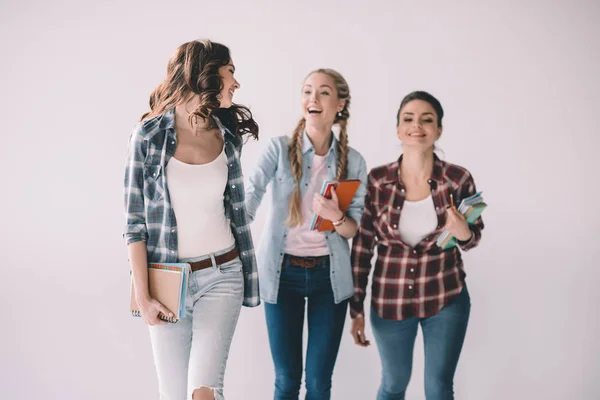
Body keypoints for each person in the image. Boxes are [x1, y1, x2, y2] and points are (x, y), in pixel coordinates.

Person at [123, 39, 260, 400]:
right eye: (231, 72)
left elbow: (232, 209)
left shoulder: (227, 134)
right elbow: (134, 224)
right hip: (167, 281)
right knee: (173, 394)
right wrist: (143, 294)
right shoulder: (148, 137)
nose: (236, 82)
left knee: (204, 393)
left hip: (223, 275)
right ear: (206, 74)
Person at [350, 91, 484, 400]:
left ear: (438, 130)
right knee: (394, 384)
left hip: (446, 298)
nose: (417, 126)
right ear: (398, 129)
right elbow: (362, 248)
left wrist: (463, 231)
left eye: (427, 120)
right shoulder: (377, 180)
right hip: (390, 301)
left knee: (438, 389)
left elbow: (472, 237)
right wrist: (355, 308)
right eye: (408, 119)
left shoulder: (458, 178)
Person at [245, 68, 367, 400]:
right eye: (307, 91)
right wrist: (232, 226)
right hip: (281, 276)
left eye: (323, 92)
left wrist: (336, 216)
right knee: (286, 380)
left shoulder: (353, 161)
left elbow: (353, 227)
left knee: (317, 382)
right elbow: (252, 194)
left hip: (330, 280)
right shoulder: (278, 149)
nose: (313, 98)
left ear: (340, 104)